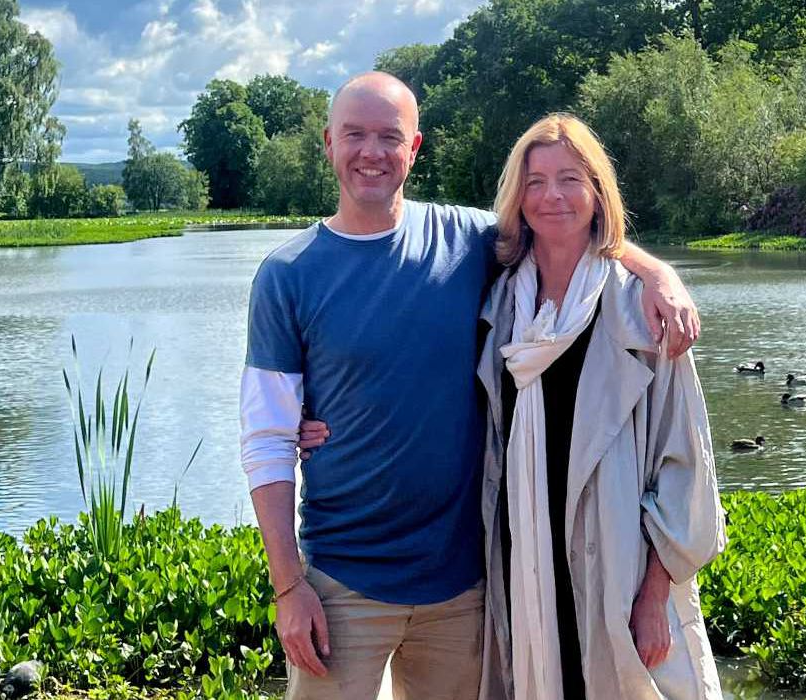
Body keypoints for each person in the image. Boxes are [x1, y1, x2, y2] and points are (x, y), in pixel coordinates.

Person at [238, 73, 701, 700]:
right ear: (328, 142)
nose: (371, 152)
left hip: (464, 587)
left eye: (388, 136)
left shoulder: (466, 240)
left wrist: (657, 271)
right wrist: (289, 588)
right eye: (354, 135)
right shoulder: (286, 275)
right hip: (342, 584)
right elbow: (266, 441)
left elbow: (565, 223)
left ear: (415, 147)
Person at [476, 113, 725, 700]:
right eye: (534, 182)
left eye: (569, 179)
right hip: (523, 563)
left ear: (597, 192)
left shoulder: (641, 310)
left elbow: (685, 465)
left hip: (618, 569)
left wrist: (655, 594)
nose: (552, 196)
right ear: (517, 195)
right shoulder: (500, 303)